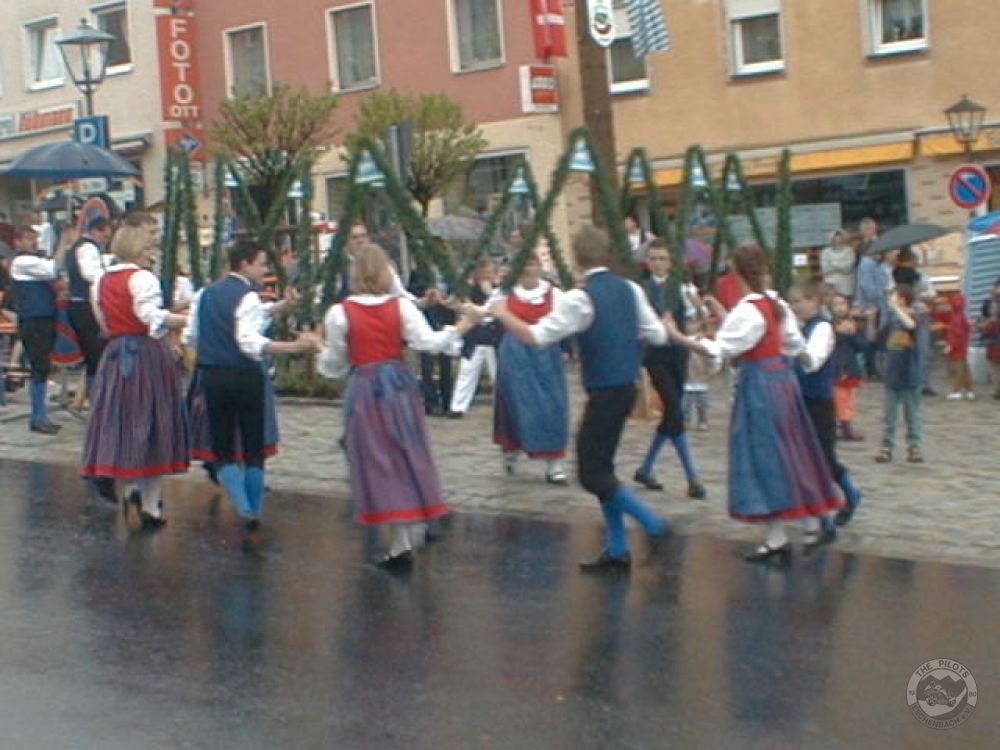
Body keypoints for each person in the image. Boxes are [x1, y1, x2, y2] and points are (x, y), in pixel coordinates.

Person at [491, 226, 671, 573]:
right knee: (603, 468)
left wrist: (503, 313)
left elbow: (536, 336)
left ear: (576, 257)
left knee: (591, 472)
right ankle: (617, 548)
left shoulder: (580, 297)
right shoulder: (630, 289)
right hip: (627, 386)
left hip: (604, 390)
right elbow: (659, 335)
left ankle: (653, 525)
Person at [663, 244, 840, 562]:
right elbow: (792, 344)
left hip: (759, 386)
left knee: (763, 456)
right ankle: (812, 523)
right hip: (783, 381)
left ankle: (777, 537)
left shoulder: (749, 309)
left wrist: (677, 336)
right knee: (792, 451)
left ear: (735, 272)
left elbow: (720, 349)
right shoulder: (775, 303)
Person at [317, 242, 481, 569]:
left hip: (364, 387)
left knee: (376, 457)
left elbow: (334, 364)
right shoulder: (402, 308)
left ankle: (401, 538)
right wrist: (464, 324)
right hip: (398, 385)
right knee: (407, 451)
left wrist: (318, 350)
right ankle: (411, 527)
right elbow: (429, 342)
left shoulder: (340, 313)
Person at [183, 240, 319, 536]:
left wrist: (277, 307)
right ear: (244, 264)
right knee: (253, 448)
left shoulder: (205, 294)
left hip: (213, 376)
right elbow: (248, 340)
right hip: (246, 376)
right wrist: (292, 347)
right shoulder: (248, 297)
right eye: (261, 263)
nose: (264, 270)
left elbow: (191, 336)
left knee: (222, 449)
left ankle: (243, 506)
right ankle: (252, 510)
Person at [80, 224, 190, 529]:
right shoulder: (142, 278)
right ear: (139, 249)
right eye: (149, 248)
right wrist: (187, 319)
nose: (151, 255)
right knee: (153, 424)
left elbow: (103, 321)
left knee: (125, 423)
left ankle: (130, 490)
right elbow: (150, 317)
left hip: (116, 355)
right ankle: (151, 505)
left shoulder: (100, 281)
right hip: (146, 354)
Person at [633, 240, 706, 498]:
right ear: (647, 262)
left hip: (678, 353)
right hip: (656, 355)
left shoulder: (681, 288)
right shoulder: (642, 290)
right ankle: (692, 477)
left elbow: (695, 317)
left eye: (662, 258)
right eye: (653, 258)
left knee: (672, 413)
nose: (658, 263)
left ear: (670, 262)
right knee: (674, 408)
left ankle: (646, 467)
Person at [788, 280, 863, 530]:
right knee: (808, 459)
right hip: (803, 400)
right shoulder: (805, 327)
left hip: (818, 402)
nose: (795, 306)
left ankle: (847, 496)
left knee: (823, 459)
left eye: (799, 301)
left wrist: (793, 346)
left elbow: (812, 362)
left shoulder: (821, 328)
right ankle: (822, 510)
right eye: (792, 302)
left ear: (815, 301)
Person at [492, 254, 569, 484]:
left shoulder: (554, 294)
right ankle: (511, 449)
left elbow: (567, 321)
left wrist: (566, 347)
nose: (528, 269)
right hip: (515, 355)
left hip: (546, 353)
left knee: (553, 404)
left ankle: (554, 462)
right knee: (515, 402)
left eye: (532, 264)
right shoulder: (505, 293)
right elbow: (486, 313)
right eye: (524, 264)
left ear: (540, 267)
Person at [8, 226, 69, 433]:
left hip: (44, 317)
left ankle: (40, 414)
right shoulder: (22, 262)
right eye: (27, 238)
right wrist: (63, 242)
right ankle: (38, 416)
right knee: (39, 367)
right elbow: (52, 268)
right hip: (34, 319)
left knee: (43, 366)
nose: (33, 243)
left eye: (34, 238)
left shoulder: (34, 262)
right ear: (17, 242)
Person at [874, 284, 924, 463]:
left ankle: (914, 446)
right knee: (889, 416)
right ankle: (886, 447)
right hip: (892, 375)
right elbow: (879, 339)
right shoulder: (891, 320)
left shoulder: (916, 315)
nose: (890, 299)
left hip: (910, 375)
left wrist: (896, 308)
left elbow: (911, 325)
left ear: (902, 298)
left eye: (894, 296)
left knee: (912, 415)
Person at [64, 217, 113, 394]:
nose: (105, 241)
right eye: (105, 236)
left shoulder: (81, 247)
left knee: (94, 355)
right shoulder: (87, 248)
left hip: (81, 304)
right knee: (95, 354)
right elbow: (91, 274)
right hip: (85, 305)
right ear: (95, 231)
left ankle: (96, 395)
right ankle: (97, 396)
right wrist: (109, 277)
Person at [448, 258, 499, 418]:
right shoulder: (470, 290)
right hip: (474, 337)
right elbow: (463, 307)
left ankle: (503, 407)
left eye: (491, 272)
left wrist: (490, 294)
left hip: (493, 338)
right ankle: (458, 407)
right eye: (486, 272)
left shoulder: (498, 291)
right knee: (466, 372)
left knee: (498, 374)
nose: (488, 275)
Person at [830, 294, 868, 441]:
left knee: (849, 399)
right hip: (835, 367)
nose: (840, 308)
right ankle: (839, 426)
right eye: (836, 304)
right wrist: (840, 334)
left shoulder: (854, 325)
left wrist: (852, 334)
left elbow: (862, 346)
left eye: (842, 304)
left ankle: (846, 425)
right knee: (838, 399)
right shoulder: (828, 326)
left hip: (850, 366)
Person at [682, 315, 721, 431]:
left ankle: (702, 420)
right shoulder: (682, 340)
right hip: (686, 378)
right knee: (685, 403)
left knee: (702, 403)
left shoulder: (705, 342)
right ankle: (685, 420)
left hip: (701, 378)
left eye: (693, 323)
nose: (691, 326)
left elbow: (714, 355)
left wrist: (714, 369)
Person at [941, 293, 973, 401]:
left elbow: (956, 333)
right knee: (964, 368)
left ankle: (957, 391)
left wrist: (950, 345)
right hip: (962, 345)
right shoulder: (961, 315)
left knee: (958, 369)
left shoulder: (956, 317)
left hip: (957, 346)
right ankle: (969, 390)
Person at [977, 278, 1000, 399]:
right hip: (994, 336)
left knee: (995, 364)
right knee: (995, 364)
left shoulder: (991, 301)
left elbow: (988, 318)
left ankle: (997, 390)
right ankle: (997, 389)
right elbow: (986, 317)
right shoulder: (990, 302)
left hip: (995, 335)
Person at [820, 229, 856, 297]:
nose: (838, 239)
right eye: (836, 237)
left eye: (841, 237)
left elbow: (848, 268)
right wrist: (840, 265)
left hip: (845, 284)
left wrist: (833, 265)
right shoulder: (826, 252)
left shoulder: (849, 251)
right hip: (830, 282)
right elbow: (825, 268)